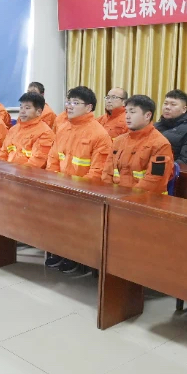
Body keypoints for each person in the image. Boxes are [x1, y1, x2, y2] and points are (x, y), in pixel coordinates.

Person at [45, 86, 113, 272]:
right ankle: (59, 250)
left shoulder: (99, 134)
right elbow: (53, 159)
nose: (70, 106)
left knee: (74, 222)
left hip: (84, 192)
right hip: (60, 187)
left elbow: (97, 172)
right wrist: (55, 182)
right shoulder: (63, 128)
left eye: (76, 103)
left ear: (89, 107)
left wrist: (74, 190)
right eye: (69, 102)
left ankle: (75, 256)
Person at [102, 95, 173, 194]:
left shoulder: (160, 144)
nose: (127, 116)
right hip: (116, 196)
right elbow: (107, 173)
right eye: (126, 112)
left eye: (132, 112)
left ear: (147, 115)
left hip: (146, 199)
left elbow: (154, 182)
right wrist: (107, 194)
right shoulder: (119, 141)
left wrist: (126, 197)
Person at [0, 92, 55, 168]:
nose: (22, 111)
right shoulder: (14, 129)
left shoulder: (45, 133)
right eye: (21, 107)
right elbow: (3, 153)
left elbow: (36, 162)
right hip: (7, 171)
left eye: (27, 108)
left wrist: (14, 172)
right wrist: (0, 169)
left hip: (28, 173)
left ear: (38, 112)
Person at [155, 89, 187, 165]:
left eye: (173, 104)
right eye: (165, 103)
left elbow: (185, 162)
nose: (167, 107)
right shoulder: (154, 126)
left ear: (184, 109)